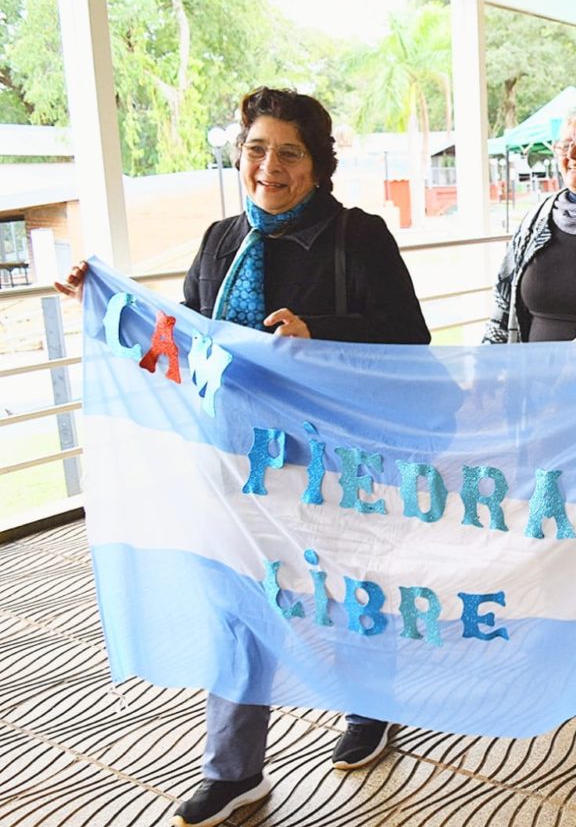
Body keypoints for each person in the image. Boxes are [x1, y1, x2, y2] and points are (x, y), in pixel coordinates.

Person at [60, 86, 431, 827]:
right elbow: (186, 346)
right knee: (237, 603)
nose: (269, 165)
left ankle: (371, 704)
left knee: (346, 587)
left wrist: (316, 330)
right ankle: (234, 770)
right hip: (230, 456)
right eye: (256, 149)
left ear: (318, 164)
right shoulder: (221, 240)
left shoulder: (358, 237)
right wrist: (105, 305)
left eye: (289, 152)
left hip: (329, 462)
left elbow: (409, 340)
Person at [484, 102, 576, 344]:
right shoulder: (536, 219)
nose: (571, 154)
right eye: (564, 145)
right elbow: (503, 302)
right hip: (532, 376)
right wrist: (488, 363)